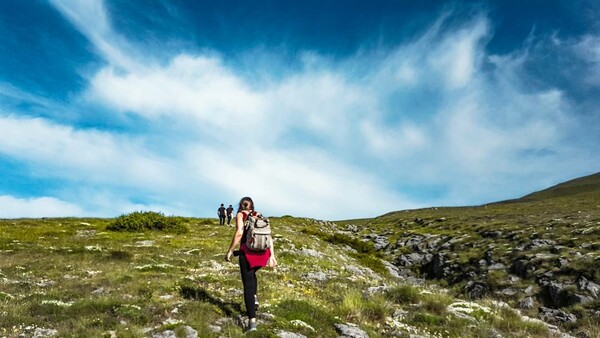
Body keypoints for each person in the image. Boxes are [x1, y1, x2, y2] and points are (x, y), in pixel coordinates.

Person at [225, 197, 277, 332]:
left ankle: (252, 323)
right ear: (252, 205)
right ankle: (254, 297)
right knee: (253, 274)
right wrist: (272, 255)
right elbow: (268, 235)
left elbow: (239, 233)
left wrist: (230, 250)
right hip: (262, 253)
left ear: (241, 205)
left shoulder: (240, 215)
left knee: (247, 284)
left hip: (247, 253)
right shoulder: (259, 215)